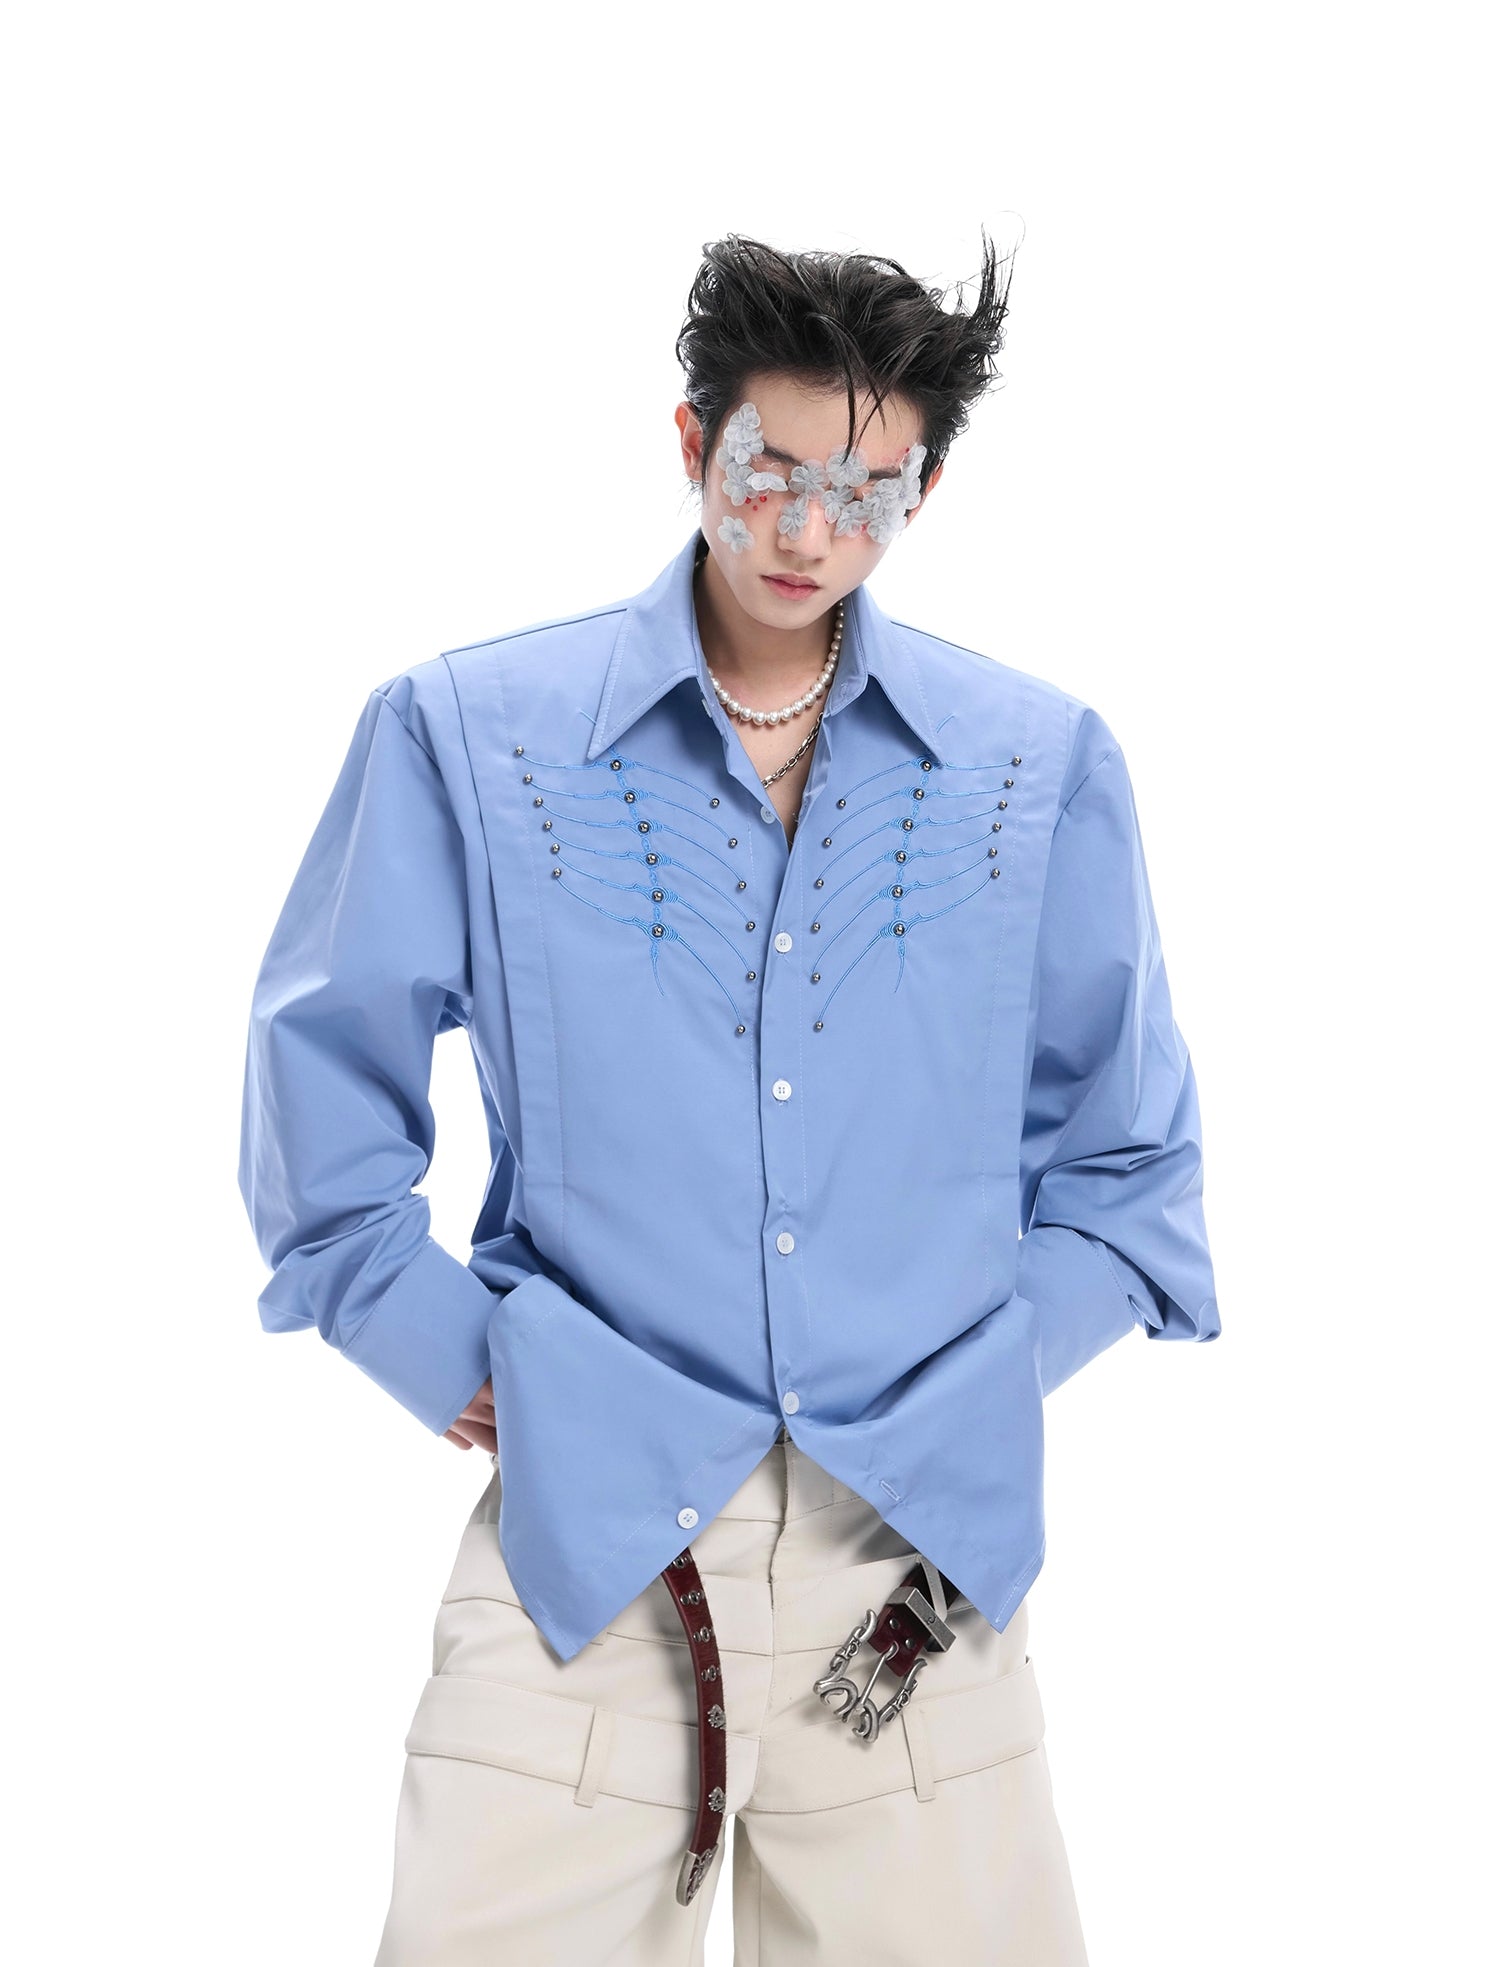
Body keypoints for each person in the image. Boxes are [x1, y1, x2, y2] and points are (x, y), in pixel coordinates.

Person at [236, 229, 1221, 1965]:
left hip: (911, 1591)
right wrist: (463, 1358)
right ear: (693, 442)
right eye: (773, 472)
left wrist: (968, 1389)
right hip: (585, 1571)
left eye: (869, 492)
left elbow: (1130, 1169)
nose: (810, 533)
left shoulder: (1036, 765)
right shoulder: (471, 733)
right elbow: (322, 1099)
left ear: (924, 492)